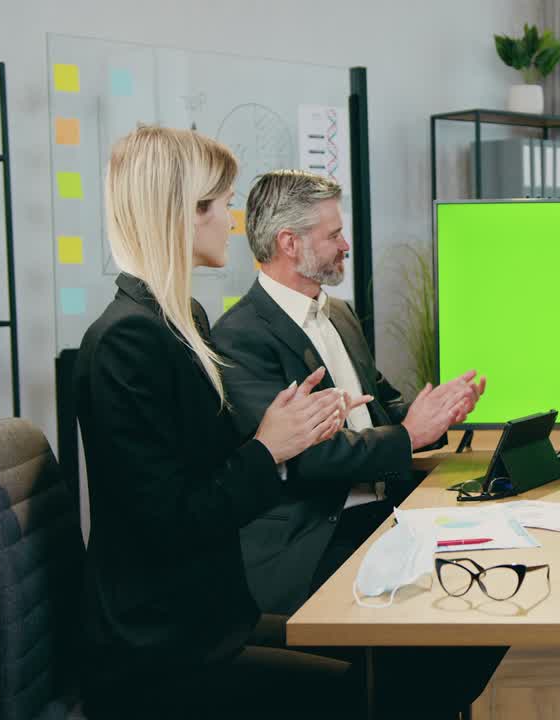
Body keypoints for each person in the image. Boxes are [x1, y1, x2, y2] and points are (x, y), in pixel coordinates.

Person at [76, 126, 369, 718]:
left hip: (206, 617)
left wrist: (296, 433)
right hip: (162, 652)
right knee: (363, 690)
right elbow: (173, 521)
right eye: (224, 203)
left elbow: (209, 471)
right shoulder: (127, 341)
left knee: (379, 661)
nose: (233, 221)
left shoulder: (180, 322)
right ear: (184, 214)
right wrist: (270, 448)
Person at [210, 169, 504, 717]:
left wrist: (432, 413)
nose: (346, 244)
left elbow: (380, 405)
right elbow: (305, 457)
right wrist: (410, 433)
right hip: (315, 537)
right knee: (460, 605)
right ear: (289, 244)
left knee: (491, 585)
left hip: (378, 517)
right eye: (334, 234)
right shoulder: (240, 337)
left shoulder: (338, 315)